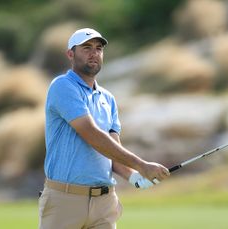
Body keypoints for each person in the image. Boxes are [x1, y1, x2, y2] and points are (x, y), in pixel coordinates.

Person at [39, 28, 170, 229]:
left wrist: (133, 176)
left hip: (104, 203)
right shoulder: (62, 86)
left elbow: (111, 149)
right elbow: (91, 135)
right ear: (70, 54)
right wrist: (142, 165)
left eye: (99, 48)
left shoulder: (107, 99)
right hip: (65, 200)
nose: (94, 53)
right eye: (87, 48)